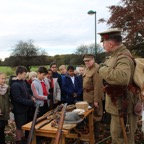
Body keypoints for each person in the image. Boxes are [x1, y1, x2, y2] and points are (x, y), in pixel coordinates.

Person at [98, 28, 138, 144]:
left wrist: (101, 69)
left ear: (110, 43)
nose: (103, 45)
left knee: (122, 139)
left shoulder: (123, 57)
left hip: (123, 107)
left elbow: (122, 77)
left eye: (104, 43)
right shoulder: (115, 56)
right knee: (117, 136)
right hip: (118, 106)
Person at [10, 66, 35, 144]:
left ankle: (22, 137)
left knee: (23, 125)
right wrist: (30, 102)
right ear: (19, 74)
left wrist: (31, 97)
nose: (25, 76)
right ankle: (18, 140)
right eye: (24, 74)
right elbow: (17, 98)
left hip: (25, 108)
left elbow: (27, 92)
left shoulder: (23, 82)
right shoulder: (15, 85)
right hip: (19, 109)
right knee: (19, 126)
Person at [82, 54, 104, 141]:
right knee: (89, 117)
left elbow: (98, 87)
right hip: (86, 97)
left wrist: (96, 100)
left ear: (93, 60)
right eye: (85, 61)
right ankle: (90, 134)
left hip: (94, 97)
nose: (86, 62)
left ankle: (96, 136)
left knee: (96, 116)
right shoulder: (87, 68)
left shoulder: (97, 69)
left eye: (88, 60)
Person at [0, 72, 10, 144]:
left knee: (2, 129)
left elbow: (8, 99)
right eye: (2, 78)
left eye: (4, 78)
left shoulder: (6, 88)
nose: (3, 80)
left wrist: (10, 106)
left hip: (4, 113)